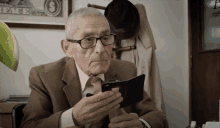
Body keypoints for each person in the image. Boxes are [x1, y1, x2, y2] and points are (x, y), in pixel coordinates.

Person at [20, 7, 168, 128]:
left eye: (105, 38)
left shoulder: (127, 70)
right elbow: (28, 125)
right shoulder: (44, 76)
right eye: (88, 40)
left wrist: (141, 124)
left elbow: (158, 117)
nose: (100, 49)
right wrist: (72, 118)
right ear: (67, 48)